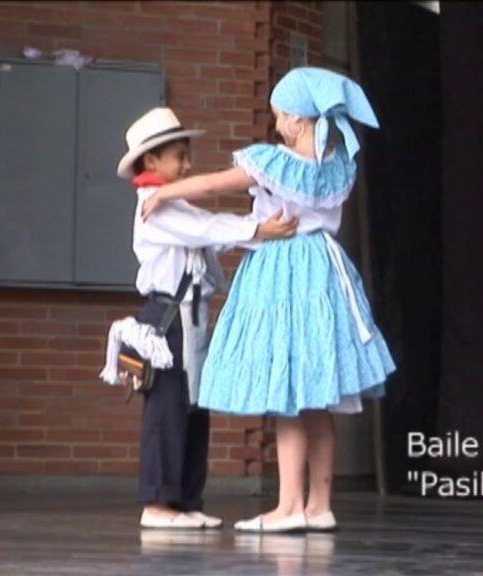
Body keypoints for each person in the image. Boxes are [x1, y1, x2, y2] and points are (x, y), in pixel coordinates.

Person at [142, 68, 396, 533]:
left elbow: (217, 183)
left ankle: (288, 506)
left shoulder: (274, 161)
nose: (276, 123)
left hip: (283, 269)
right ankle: (321, 505)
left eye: (280, 114)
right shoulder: (337, 162)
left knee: (288, 389)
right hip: (325, 268)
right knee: (319, 393)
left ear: (297, 120)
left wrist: (165, 192)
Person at [103, 106, 298, 529]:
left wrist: (254, 231)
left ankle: (186, 499)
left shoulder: (177, 205)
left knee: (193, 407)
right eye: (179, 155)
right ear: (151, 161)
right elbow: (208, 230)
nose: (187, 164)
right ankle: (157, 503)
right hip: (167, 316)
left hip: (191, 314)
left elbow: (208, 239)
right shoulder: (154, 206)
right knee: (167, 408)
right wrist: (257, 229)